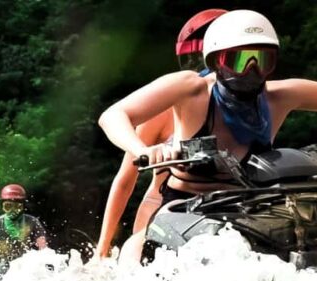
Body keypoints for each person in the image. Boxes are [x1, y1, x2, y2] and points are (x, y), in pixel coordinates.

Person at [97, 10, 317, 261]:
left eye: (262, 60)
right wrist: (143, 150)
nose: (251, 71)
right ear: (217, 61)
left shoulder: (279, 96)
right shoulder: (190, 89)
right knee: (136, 251)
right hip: (182, 208)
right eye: (240, 59)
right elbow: (113, 116)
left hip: (250, 211)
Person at [97, 9, 227, 258]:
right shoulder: (165, 109)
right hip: (162, 213)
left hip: (222, 211)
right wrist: (101, 249)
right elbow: (125, 180)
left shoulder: (251, 112)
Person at [0, 184, 48, 266]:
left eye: (17, 206)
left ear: (23, 206)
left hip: (24, 265)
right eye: (8, 206)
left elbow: (42, 246)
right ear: (2, 206)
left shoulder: (32, 222)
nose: (13, 211)